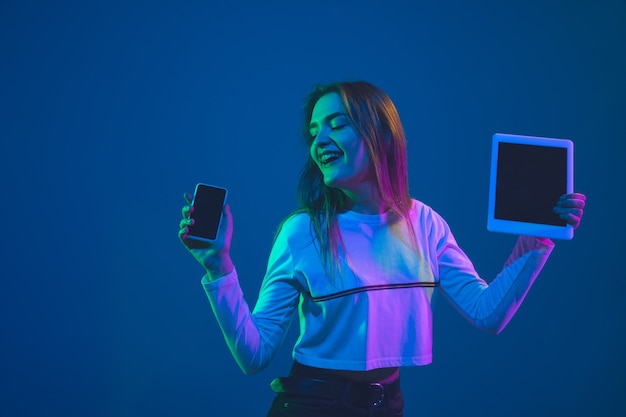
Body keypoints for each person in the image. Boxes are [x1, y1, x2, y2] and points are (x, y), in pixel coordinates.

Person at [178, 81, 586, 417]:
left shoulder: (425, 223)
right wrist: (219, 267)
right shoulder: (302, 231)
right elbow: (255, 354)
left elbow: (488, 313)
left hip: (388, 406)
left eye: (336, 124)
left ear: (379, 134)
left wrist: (539, 238)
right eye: (315, 130)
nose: (320, 139)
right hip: (311, 406)